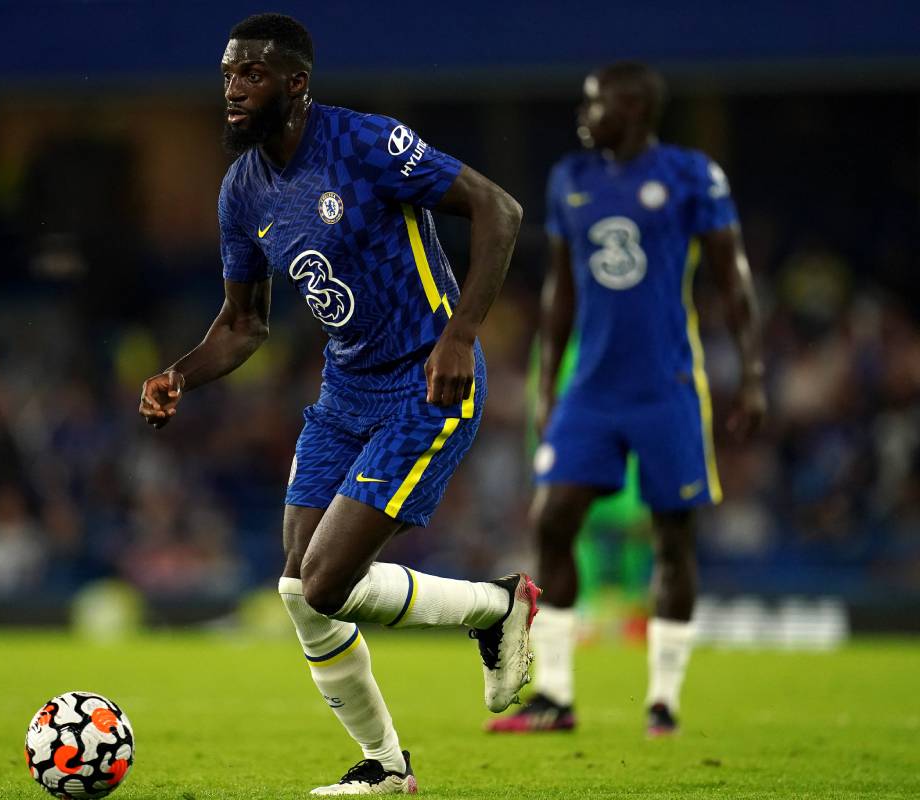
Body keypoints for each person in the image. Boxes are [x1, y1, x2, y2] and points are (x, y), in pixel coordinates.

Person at [138, 13, 538, 795]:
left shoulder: (366, 144)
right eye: (227, 74)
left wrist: (460, 336)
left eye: (251, 74)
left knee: (323, 584)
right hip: (346, 388)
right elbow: (244, 323)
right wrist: (180, 373)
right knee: (299, 590)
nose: (232, 89)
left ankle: (497, 608)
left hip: (429, 382)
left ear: (296, 84)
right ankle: (387, 766)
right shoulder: (241, 188)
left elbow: (501, 209)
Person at [487, 62, 765, 737]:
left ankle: (662, 700)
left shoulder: (689, 175)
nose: (584, 114)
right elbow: (560, 291)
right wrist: (549, 385)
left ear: (635, 106)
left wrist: (752, 372)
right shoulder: (570, 180)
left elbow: (732, 275)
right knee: (553, 521)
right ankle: (554, 693)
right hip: (591, 390)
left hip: (665, 388)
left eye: (596, 102)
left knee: (675, 536)